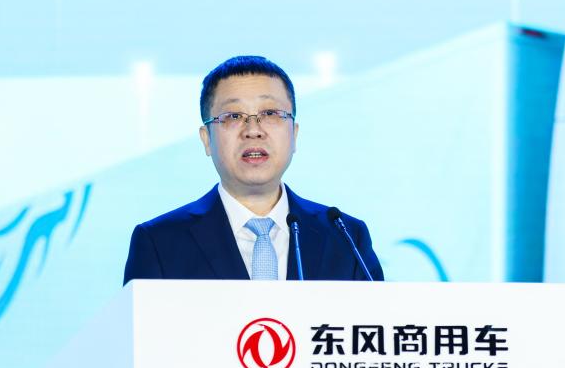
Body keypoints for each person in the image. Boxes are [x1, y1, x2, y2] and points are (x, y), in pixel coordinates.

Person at [123, 55, 384, 283]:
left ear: (294, 134)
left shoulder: (346, 238)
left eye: (270, 113)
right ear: (206, 139)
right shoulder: (159, 242)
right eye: (233, 116)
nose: (253, 130)